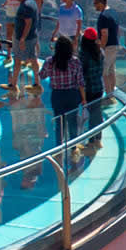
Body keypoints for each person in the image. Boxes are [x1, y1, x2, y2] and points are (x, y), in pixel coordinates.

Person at [39, 35, 86, 170]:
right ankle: (73, 148)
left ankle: (59, 149)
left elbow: (42, 75)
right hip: (72, 94)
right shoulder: (75, 62)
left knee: (59, 123)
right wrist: (83, 99)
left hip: (57, 95)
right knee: (72, 123)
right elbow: (80, 82)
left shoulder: (50, 62)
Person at [8, 0, 40, 95]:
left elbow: (28, 23)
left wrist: (22, 38)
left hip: (25, 38)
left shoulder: (25, 5)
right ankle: (37, 83)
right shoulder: (32, 2)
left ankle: (13, 85)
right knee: (33, 58)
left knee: (17, 59)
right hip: (32, 36)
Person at [79, 28, 106, 150]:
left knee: (91, 115)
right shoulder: (100, 52)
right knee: (97, 113)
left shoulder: (84, 55)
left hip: (88, 89)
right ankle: (98, 140)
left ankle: (90, 142)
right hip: (99, 87)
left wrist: (82, 95)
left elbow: (82, 76)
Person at [94, 0, 123, 90]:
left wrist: (101, 48)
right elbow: (118, 30)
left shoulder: (103, 16)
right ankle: (112, 91)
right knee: (111, 70)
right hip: (114, 45)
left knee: (104, 72)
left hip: (107, 47)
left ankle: (108, 94)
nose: (94, 6)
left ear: (101, 3)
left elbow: (104, 34)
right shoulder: (113, 12)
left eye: (95, 3)